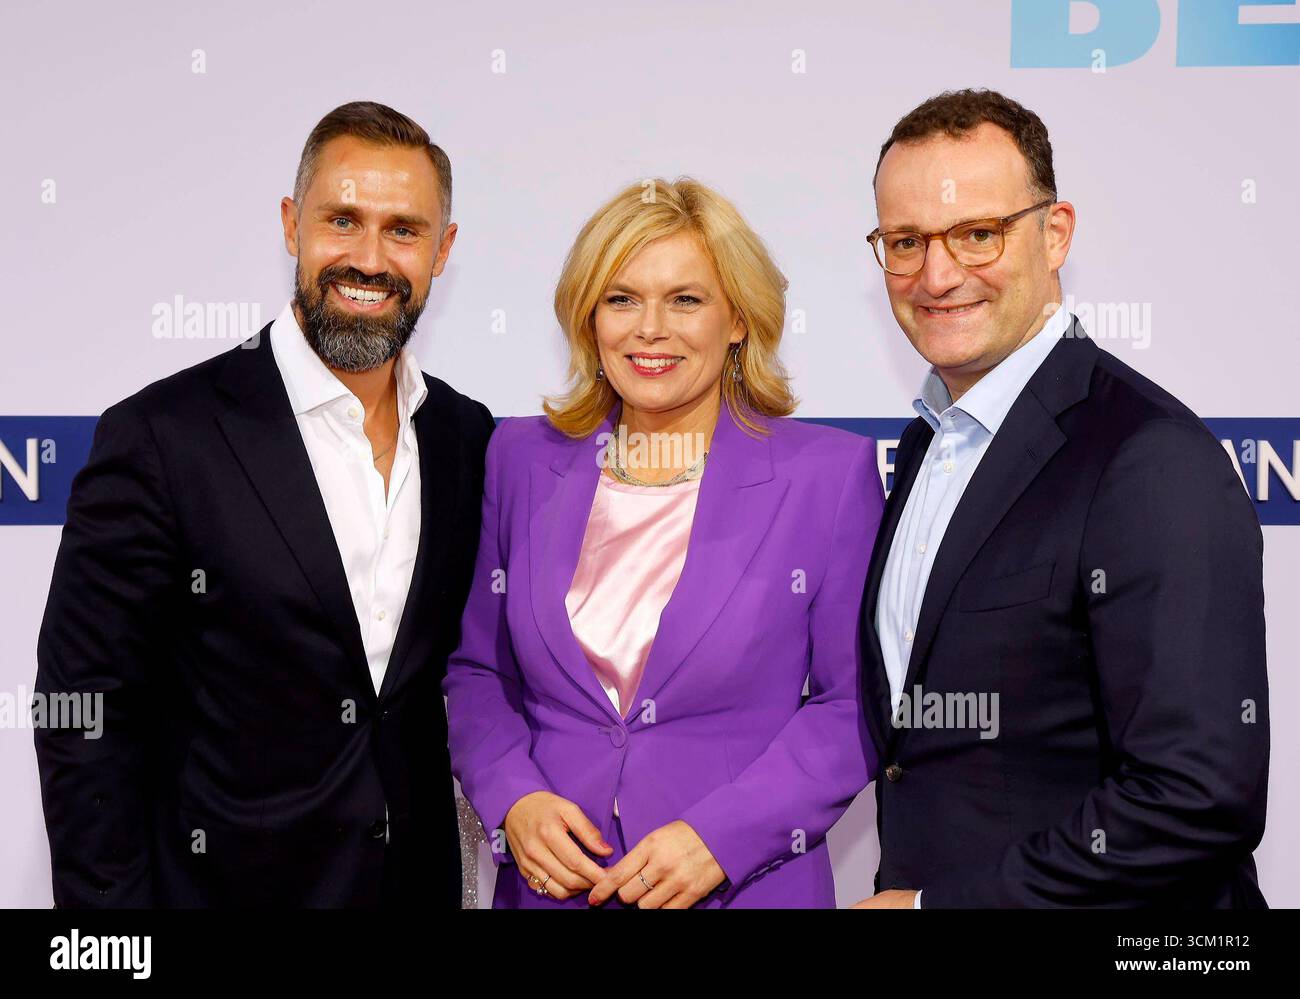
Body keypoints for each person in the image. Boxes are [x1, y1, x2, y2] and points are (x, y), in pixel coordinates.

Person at [34, 101, 493, 908]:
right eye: (342, 219)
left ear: (443, 249)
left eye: (404, 230)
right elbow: (84, 715)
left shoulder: (467, 437)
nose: (369, 258)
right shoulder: (162, 436)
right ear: (292, 224)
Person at [854, 89, 1269, 909]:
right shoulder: (930, 442)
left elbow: (1196, 796)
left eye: (978, 233)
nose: (938, 275)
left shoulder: (1147, 455)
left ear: (1055, 233)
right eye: (906, 242)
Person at [444, 177, 882, 908]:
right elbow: (479, 675)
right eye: (621, 298)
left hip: (744, 887)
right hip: (554, 890)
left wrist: (723, 836)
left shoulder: (827, 476)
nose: (650, 328)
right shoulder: (518, 457)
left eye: (686, 299)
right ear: (589, 319)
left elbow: (853, 706)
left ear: (738, 319)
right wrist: (514, 800)